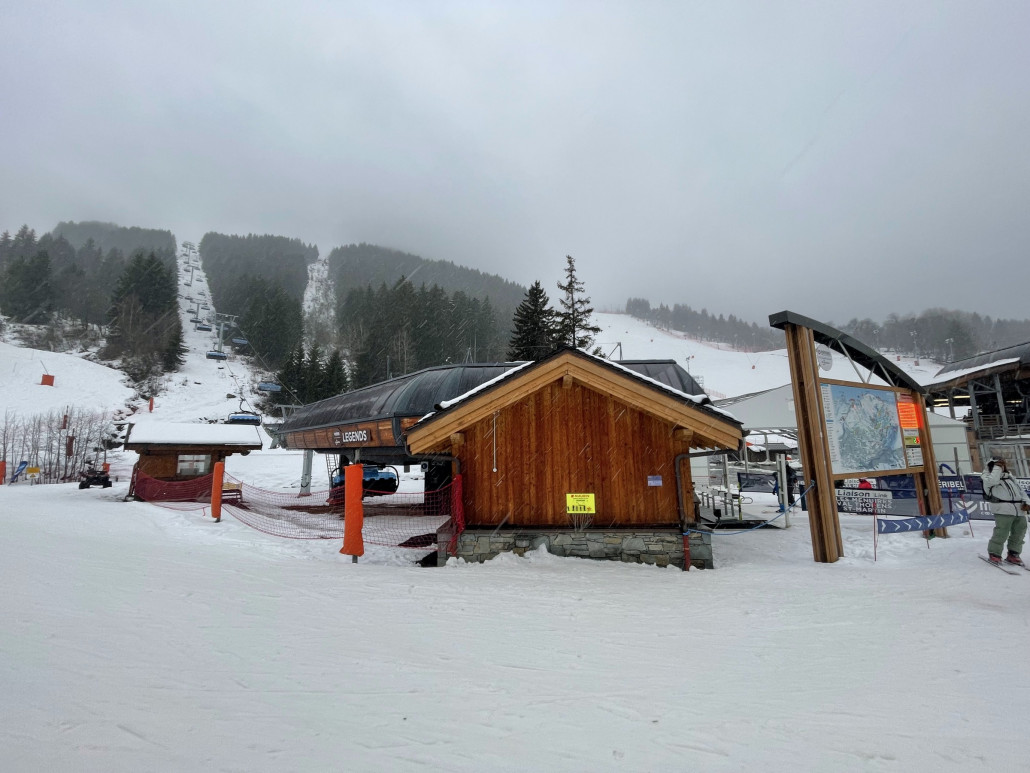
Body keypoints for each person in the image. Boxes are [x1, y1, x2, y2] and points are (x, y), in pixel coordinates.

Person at [981, 457, 1030, 566]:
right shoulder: (987, 478)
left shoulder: (1010, 478)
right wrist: (997, 467)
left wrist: (1027, 502)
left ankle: (1013, 554)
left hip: (1019, 509)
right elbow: (993, 480)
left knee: (1019, 533)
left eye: (1002, 465)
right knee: (1001, 532)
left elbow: (1021, 491)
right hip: (1002, 509)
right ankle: (995, 554)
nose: (1002, 467)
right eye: (998, 465)